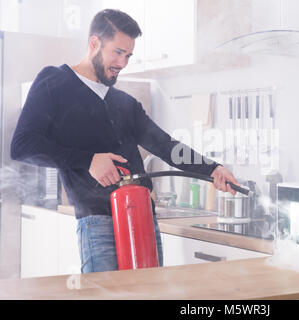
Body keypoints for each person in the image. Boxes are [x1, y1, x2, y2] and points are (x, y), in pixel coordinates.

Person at [10, 9, 239, 273]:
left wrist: (212, 168)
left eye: (128, 55)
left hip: (143, 218)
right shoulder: (55, 82)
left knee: (148, 294)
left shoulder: (124, 103)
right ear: (94, 43)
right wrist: (88, 161)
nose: (123, 63)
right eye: (118, 52)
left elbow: (165, 145)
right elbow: (23, 145)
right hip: (98, 222)